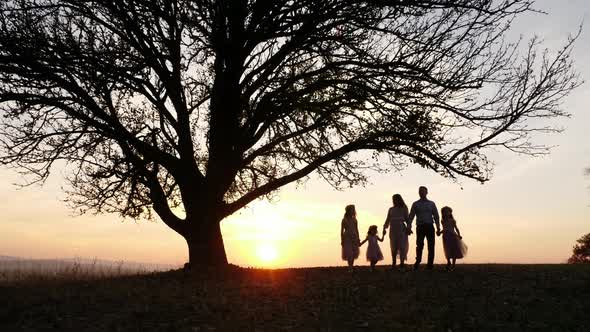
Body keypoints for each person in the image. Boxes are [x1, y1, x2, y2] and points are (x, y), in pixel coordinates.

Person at [408, 186, 440, 270]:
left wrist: (438, 227)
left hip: (429, 226)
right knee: (419, 245)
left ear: (426, 192)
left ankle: (430, 264)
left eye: (423, 191)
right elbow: (411, 216)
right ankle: (418, 261)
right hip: (420, 226)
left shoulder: (431, 203)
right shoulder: (415, 204)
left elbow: (436, 215)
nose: (421, 193)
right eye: (420, 191)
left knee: (431, 245)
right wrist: (409, 226)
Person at [383, 194, 412, 270]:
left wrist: (409, 228)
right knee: (393, 245)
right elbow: (387, 219)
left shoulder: (404, 208)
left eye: (395, 199)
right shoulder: (391, 209)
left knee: (402, 245)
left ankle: (402, 263)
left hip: (401, 228)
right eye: (393, 199)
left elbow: (407, 219)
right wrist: (384, 228)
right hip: (393, 229)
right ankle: (394, 263)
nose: (394, 201)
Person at [440, 206, 468, 271]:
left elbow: (456, 228)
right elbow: (444, 229)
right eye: (444, 212)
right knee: (447, 250)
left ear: (450, 213)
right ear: (442, 213)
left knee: (454, 250)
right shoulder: (443, 221)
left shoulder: (452, 220)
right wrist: (440, 232)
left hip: (453, 236)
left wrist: (459, 235)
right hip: (445, 237)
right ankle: (448, 262)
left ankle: (453, 265)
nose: (446, 213)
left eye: (448, 212)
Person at [341, 204, 361, 271]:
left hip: (354, 237)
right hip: (347, 237)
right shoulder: (344, 220)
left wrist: (358, 238)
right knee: (349, 252)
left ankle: (351, 267)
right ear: (349, 211)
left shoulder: (355, 220)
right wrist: (342, 240)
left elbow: (356, 229)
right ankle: (350, 267)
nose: (353, 211)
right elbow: (341, 231)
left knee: (353, 253)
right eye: (352, 209)